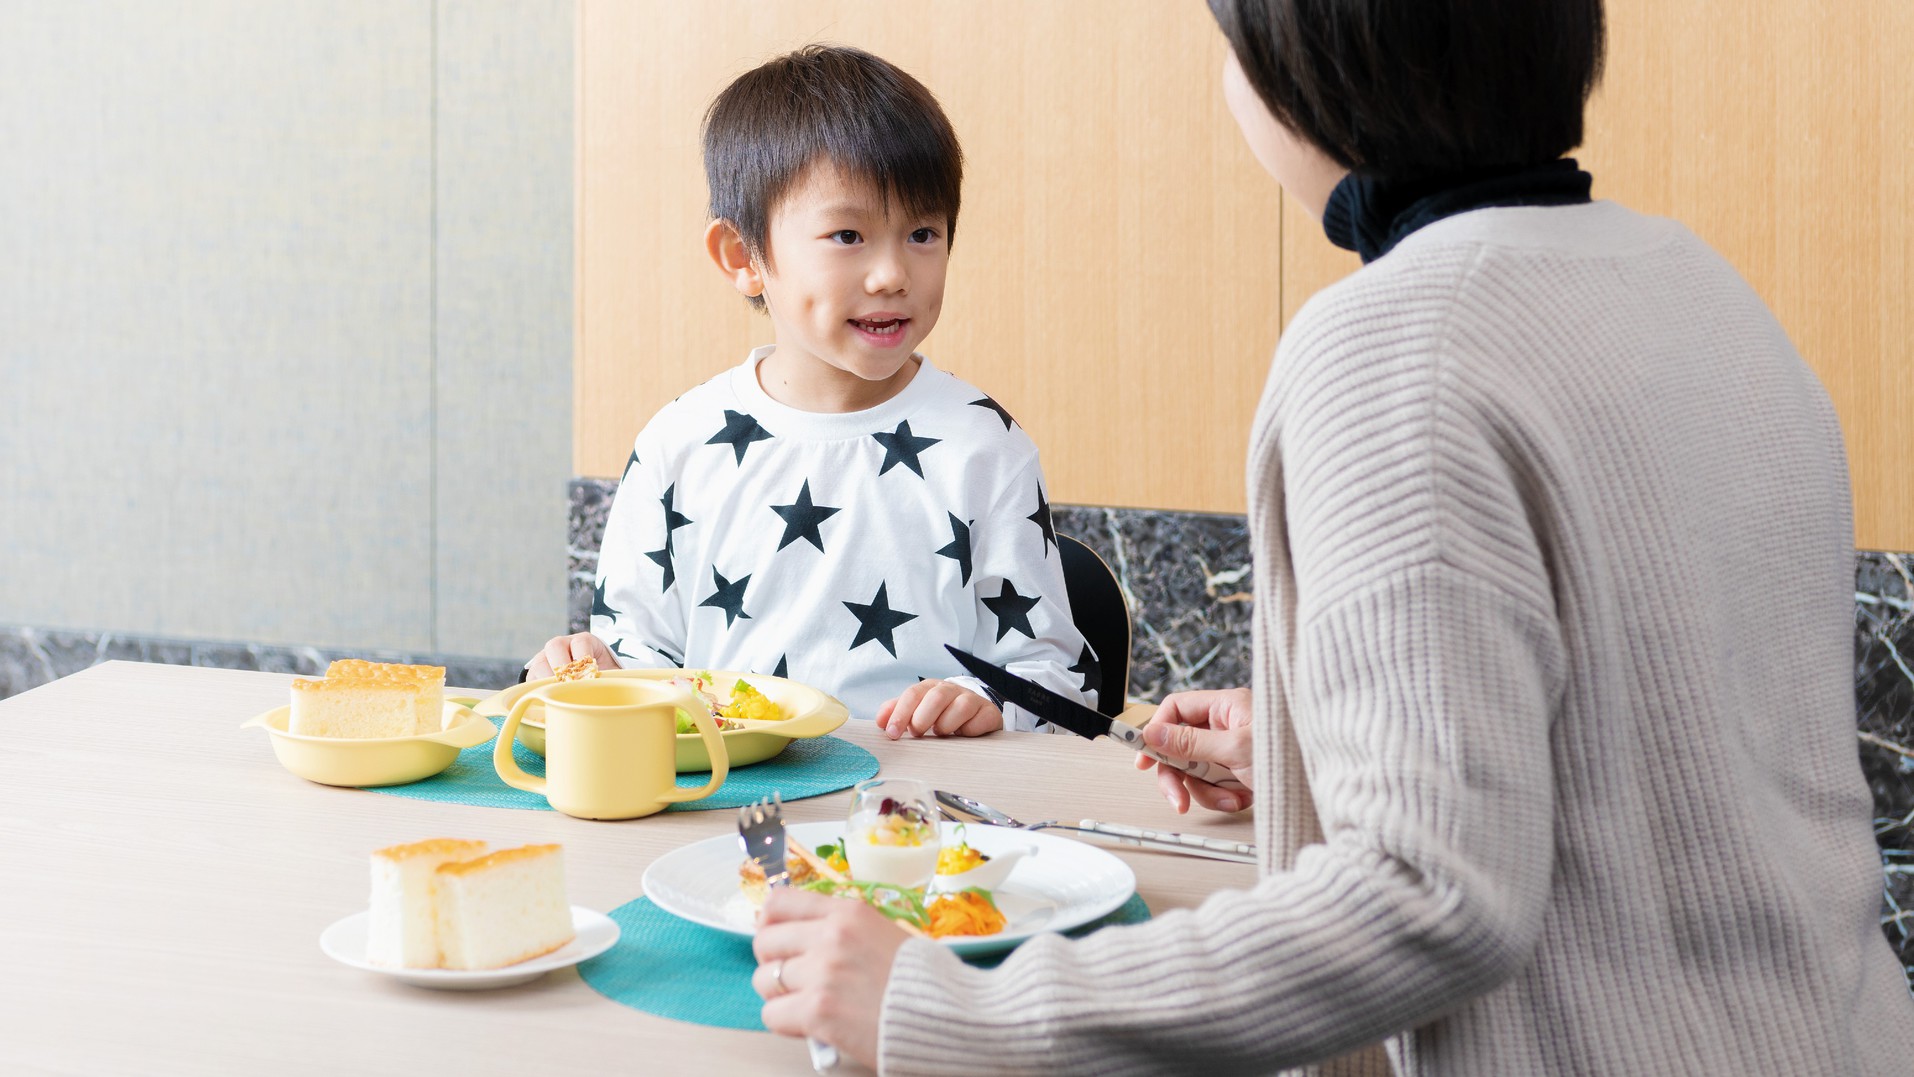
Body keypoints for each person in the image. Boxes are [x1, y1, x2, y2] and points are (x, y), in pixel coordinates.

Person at [746, 1, 1914, 1072]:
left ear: (1301, 69)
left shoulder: (1393, 346)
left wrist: (954, 1008)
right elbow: (1661, 738)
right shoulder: (1700, 287)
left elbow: (1426, 898)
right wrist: (1322, 748)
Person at [529, 45, 1094, 738]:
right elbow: (640, 672)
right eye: (848, 234)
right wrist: (585, 666)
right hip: (733, 817)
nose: (891, 274)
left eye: (923, 233)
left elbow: (1058, 687)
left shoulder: (983, 446)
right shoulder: (679, 446)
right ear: (744, 258)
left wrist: (987, 704)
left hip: (919, 824)